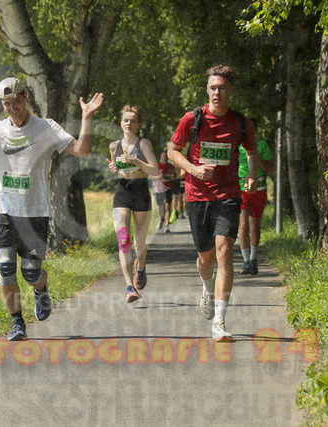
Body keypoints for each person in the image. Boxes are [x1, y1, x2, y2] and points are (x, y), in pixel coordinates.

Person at [0, 77, 103, 341]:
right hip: (6, 213)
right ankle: (18, 323)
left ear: (25, 97)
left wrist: (86, 117)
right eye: (6, 103)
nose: (12, 108)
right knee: (6, 269)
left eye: (16, 102)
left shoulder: (46, 128)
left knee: (31, 272)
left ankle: (41, 289)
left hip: (35, 213)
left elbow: (82, 150)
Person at [167, 64, 259, 342]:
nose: (217, 93)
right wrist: (193, 170)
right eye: (212, 88)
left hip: (228, 195)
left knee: (224, 252)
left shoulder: (241, 122)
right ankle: (207, 289)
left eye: (222, 88)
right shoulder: (192, 119)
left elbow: (251, 151)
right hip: (197, 196)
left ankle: (219, 321)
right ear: (207, 90)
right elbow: (172, 151)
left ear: (231, 90)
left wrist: (251, 175)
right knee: (206, 260)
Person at [106, 105, 158, 303]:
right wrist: (113, 167)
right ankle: (129, 287)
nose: (129, 123)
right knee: (123, 240)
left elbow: (154, 171)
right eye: (126, 120)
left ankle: (141, 267)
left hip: (141, 192)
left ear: (138, 124)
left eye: (133, 121)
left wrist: (136, 161)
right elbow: (115, 166)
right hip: (122, 192)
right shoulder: (114, 146)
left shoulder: (143, 144)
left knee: (139, 243)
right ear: (121, 123)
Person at [239, 118, 274, 276]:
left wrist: (256, 156)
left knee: (254, 225)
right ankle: (246, 261)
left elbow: (269, 169)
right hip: (240, 188)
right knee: (243, 225)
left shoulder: (262, 145)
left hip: (258, 188)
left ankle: (253, 259)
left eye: (251, 128)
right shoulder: (236, 145)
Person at [153, 152, 175, 233]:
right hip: (159, 189)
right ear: (161, 156)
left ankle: (167, 225)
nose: (164, 157)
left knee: (168, 207)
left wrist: (173, 177)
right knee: (159, 208)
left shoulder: (171, 166)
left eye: (166, 156)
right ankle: (161, 219)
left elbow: (175, 176)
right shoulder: (157, 166)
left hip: (168, 188)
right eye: (163, 156)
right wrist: (158, 177)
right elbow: (150, 176)